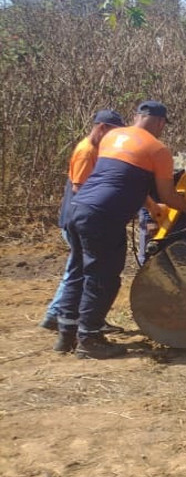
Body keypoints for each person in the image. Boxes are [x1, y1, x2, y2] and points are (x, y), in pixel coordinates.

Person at [54, 100, 186, 359]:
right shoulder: (158, 149)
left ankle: (66, 335)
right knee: (103, 277)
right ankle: (89, 338)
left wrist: (150, 206)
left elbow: (120, 177)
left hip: (78, 209)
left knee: (78, 270)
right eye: (164, 125)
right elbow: (167, 193)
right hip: (103, 217)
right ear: (160, 122)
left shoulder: (112, 137)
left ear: (135, 117)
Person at [41, 108, 127, 332]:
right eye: (112, 132)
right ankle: (60, 315)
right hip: (78, 219)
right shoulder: (86, 151)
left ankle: (61, 314)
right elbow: (80, 188)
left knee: (78, 269)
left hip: (81, 218)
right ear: (101, 128)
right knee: (79, 270)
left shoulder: (98, 150)